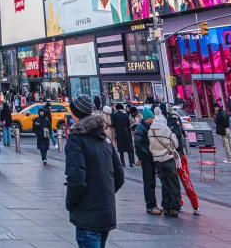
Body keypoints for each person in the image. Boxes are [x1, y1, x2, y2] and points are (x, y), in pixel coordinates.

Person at [64, 96, 124, 248]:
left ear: (76, 113)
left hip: (87, 214)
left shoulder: (76, 139)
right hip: (106, 211)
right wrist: (104, 194)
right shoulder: (104, 137)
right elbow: (119, 176)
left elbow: (76, 179)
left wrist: (71, 203)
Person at [144, 107, 181, 217]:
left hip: (157, 160)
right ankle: (175, 208)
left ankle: (166, 207)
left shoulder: (150, 131)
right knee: (174, 184)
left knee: (164, 184)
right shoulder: (166, 129)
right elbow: (175, 144)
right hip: (168, 159)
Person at [133, 109, 160, 214]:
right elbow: (138, 144)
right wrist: (148, 153)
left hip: (149, 158)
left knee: (151, 182)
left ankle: (153, 204)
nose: (152, 119)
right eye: (151, 118)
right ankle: (151, 205)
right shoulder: (141, 128)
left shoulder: (146, 127)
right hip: (146, 158)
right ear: (147, 118)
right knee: (149, 182)